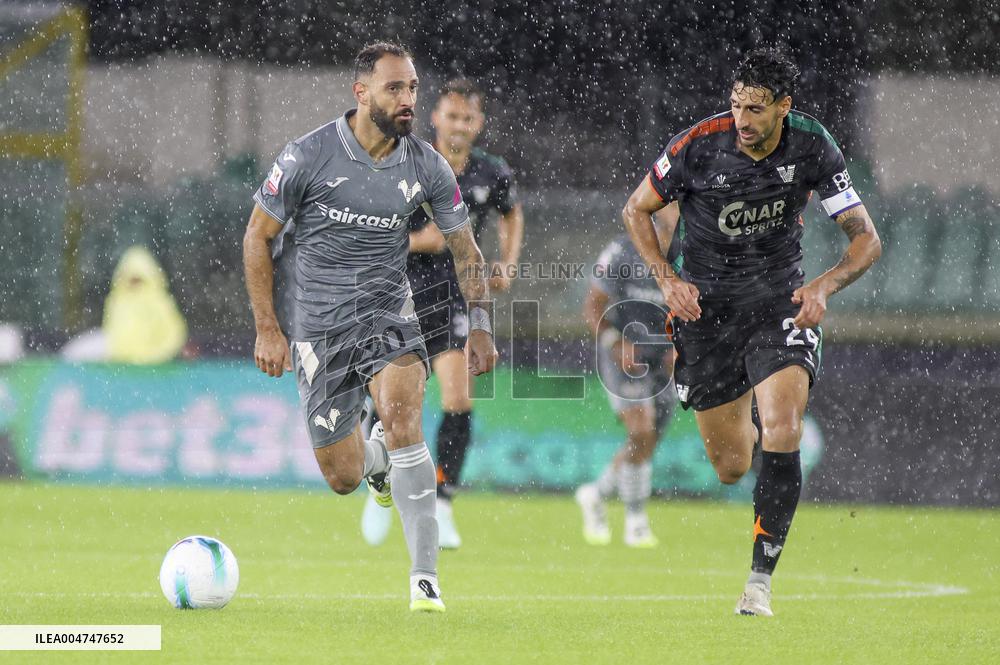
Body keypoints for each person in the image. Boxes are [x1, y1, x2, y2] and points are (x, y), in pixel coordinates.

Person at [621, 47, 882, 616]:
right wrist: (666, 280)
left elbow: (866, 240)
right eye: (737, 105)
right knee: (732, 466)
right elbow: (636, 210)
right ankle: (750, 388)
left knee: (783, 426)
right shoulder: (698, 145)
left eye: (757, 108)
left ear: (784, 108)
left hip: (777, 304)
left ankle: (759, 582)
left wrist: (822, 288)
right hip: (707, 315)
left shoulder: (813, 145)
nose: (743, 119)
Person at [242, 42, 497, 613]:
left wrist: (479, 323)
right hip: (318, 327)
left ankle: (425, 579)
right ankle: (375, 459)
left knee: (405, 416)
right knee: (343, 476)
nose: (408, 99)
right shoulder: (307, 156)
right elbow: (257, 236)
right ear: (361, 93)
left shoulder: (426, 164)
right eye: (395, 89)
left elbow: (465, 248)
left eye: (412, 88)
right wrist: (268, 328)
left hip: (389, 313)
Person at [361, 78, 524, 549]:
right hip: (399, 291)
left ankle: (443, 501)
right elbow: (376, 222)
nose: (459, 125)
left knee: (458, 398)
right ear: (435, 117)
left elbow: (512, 212)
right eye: (451, 116)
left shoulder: (490, 173)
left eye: (467, 118)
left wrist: (507, 262)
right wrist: (416, 241)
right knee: (393, 403)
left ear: (479, 124)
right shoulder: (404, 160)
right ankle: (380, 479)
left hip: (455, 294)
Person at [575, 203, 680, 548]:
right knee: (641, 429)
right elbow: (592, 307)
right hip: (625, 353)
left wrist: (684, 347)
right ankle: (636, 520)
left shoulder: (693, 253)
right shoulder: (623, 251)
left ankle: (596, 494)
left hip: (664, 357)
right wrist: (615, 343)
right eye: (673, 203)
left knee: (646, 441)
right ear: (657, 210)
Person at [61, 245, 188, 364]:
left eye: (138, 279)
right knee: (74, 352)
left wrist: (151, 356)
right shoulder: (116, 299)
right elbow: (111, 330)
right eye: (130, 278)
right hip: (114, 352)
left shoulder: (160, 302)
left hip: (141, 357)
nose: (133, 283)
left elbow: (174, 336)